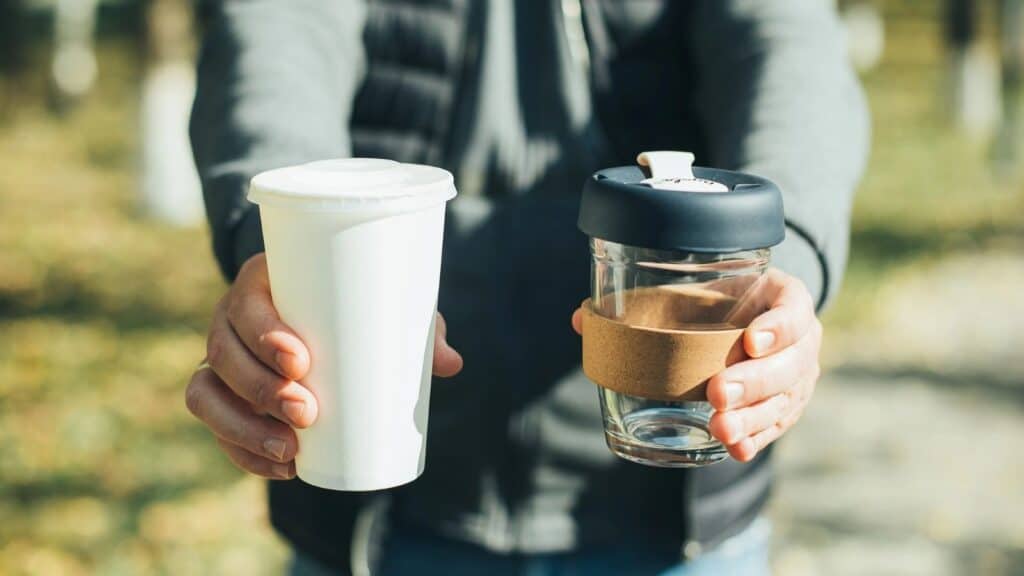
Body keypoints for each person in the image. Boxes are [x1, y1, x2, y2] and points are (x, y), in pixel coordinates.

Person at [186, 1, 869, 574]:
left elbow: (784, 50)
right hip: (378, 521)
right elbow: (276, 42)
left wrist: (788, 260)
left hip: (675, 505)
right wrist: (277, 254)